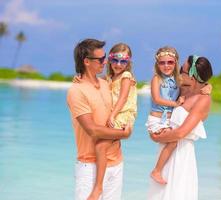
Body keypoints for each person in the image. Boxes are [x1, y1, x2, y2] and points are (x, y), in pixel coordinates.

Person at [67, 38, 132, 200]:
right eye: (102, 59)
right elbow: (93, 130)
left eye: (106, 58)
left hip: (116, 163)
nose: (105, 62)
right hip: (89, 167)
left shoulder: (105, 83)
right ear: (87, 62)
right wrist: (123, 134)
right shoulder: (76, 91)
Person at [147, 55, 213, 200]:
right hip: (166, 150)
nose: (179, 71)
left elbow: (182, 132)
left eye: (182, 69)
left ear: (193, 76)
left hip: (181, 154)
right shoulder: (184, 90)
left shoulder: (203, 99)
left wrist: (156, 137)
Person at [88, 43, 137, 200]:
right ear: (109, 60)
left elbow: (122, 98)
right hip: (115, 114)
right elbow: (93, 82)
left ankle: (98, 187)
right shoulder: (109, 78)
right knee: (103, 144)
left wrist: (112, 115)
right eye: (115, 60)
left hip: (122, 115)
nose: (118, 64)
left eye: (123, 61)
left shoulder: (126, 77)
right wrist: (79, 78)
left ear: (128, 62)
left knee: (100, 146)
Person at [145, 46, 185, 185]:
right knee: (173, 141)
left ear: (176, 63)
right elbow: (157, 99)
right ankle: (156, 170)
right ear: (157, 64)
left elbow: (193, 87)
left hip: (170, 120)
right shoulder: (157, 79)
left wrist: (206, 87)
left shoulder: (178, 80)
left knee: (175, 144)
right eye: (162, 63)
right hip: (157, 120)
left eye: (170, 62)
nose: (166, 66)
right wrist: (176, 104)